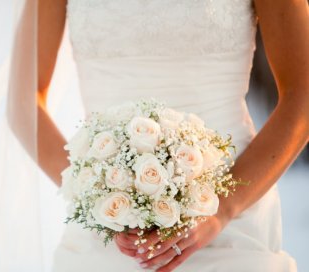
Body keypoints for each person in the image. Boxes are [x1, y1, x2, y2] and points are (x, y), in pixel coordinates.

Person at [24, 0, 309, 271]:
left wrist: (220, 209)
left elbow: (302, 97)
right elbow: (24, 105)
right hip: (106, 228)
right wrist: (97, 195)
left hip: (233, 211)